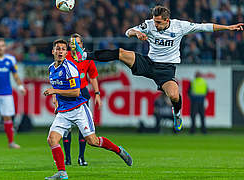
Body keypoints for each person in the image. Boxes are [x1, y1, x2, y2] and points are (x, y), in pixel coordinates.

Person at [74, 5, 244, 132]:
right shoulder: (149, 25)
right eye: (154, 21)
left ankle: (176, 114)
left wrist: (228, 28)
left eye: (158, 22)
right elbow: (128, 32)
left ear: (167, 21)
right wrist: (137, 33)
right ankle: (86, 56)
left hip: (166, 70)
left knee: (174, 95)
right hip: (149, 62)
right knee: (121, 53)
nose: (155, 25)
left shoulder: (180, 26)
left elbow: (204, 26)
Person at [44, 39, 132, 180]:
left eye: (63, 49)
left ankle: (118, 150)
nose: (60, 51)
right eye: (58, 49)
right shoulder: (51, 68)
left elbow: (76, 92)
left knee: (92, 141)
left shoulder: (70, 68)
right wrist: (56, 102)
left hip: (78, 110)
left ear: (66, 52)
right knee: (52, 139)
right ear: (53, 51)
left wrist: (55, 90)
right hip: (63, 112)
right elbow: (57, 88)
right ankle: (62, 172)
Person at [60, 33, 102, 166]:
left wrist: (97, 93)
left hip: (82, 92)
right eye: (72, 43)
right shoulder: (64, 57)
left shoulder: (87, 58)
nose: (75, 45)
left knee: (83, 127)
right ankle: (67, 158)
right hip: (66, 93)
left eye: (77, 43)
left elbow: (93, 76)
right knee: (66, 127)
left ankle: (81, 157)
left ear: (82, 45)